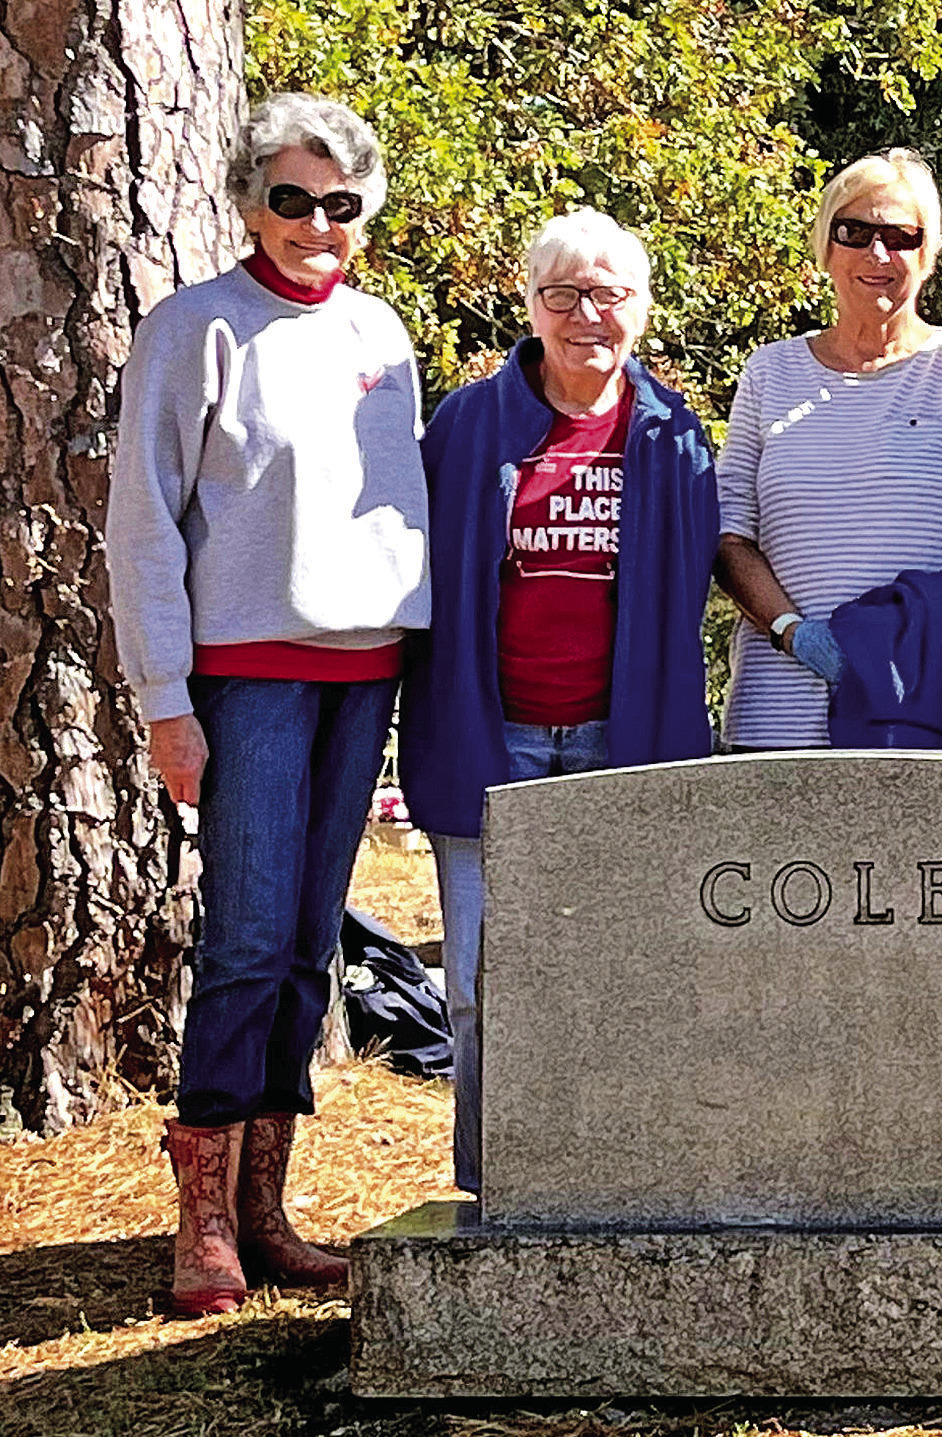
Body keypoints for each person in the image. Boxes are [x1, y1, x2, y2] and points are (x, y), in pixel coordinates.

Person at [105, 93, 429, 1315]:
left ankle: (264, 1211)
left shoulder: (382, 335)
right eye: (290, 199)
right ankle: (198, 1221)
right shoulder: (196, 328)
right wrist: (164, 698)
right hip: (247, 678)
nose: (314, 224)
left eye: (340, 204)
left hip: (365, 675)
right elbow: (142, 521)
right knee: (241, 942)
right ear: (251, 201)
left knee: (306, 951)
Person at [399, 208, 719, 1194]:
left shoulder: (673, 438)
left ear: (644, 308)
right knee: (481, 988)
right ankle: (494, 1186)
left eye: (610, 293)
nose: (587, 314)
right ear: (530, 305)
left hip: (623, 744)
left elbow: (694, 588)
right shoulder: (466, 425)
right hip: (491, 738)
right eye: (563, 293)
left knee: (625, 974)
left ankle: (620, 1177)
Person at [715, 148, 942, 748]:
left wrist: (914, 649)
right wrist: (793, 632)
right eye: (854, 232)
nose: (877, 254)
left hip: (918, 714)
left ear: (928, 253)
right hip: (776, 718)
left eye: (900, 236)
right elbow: (731, 538)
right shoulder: (768, 373)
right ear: (826, 248)